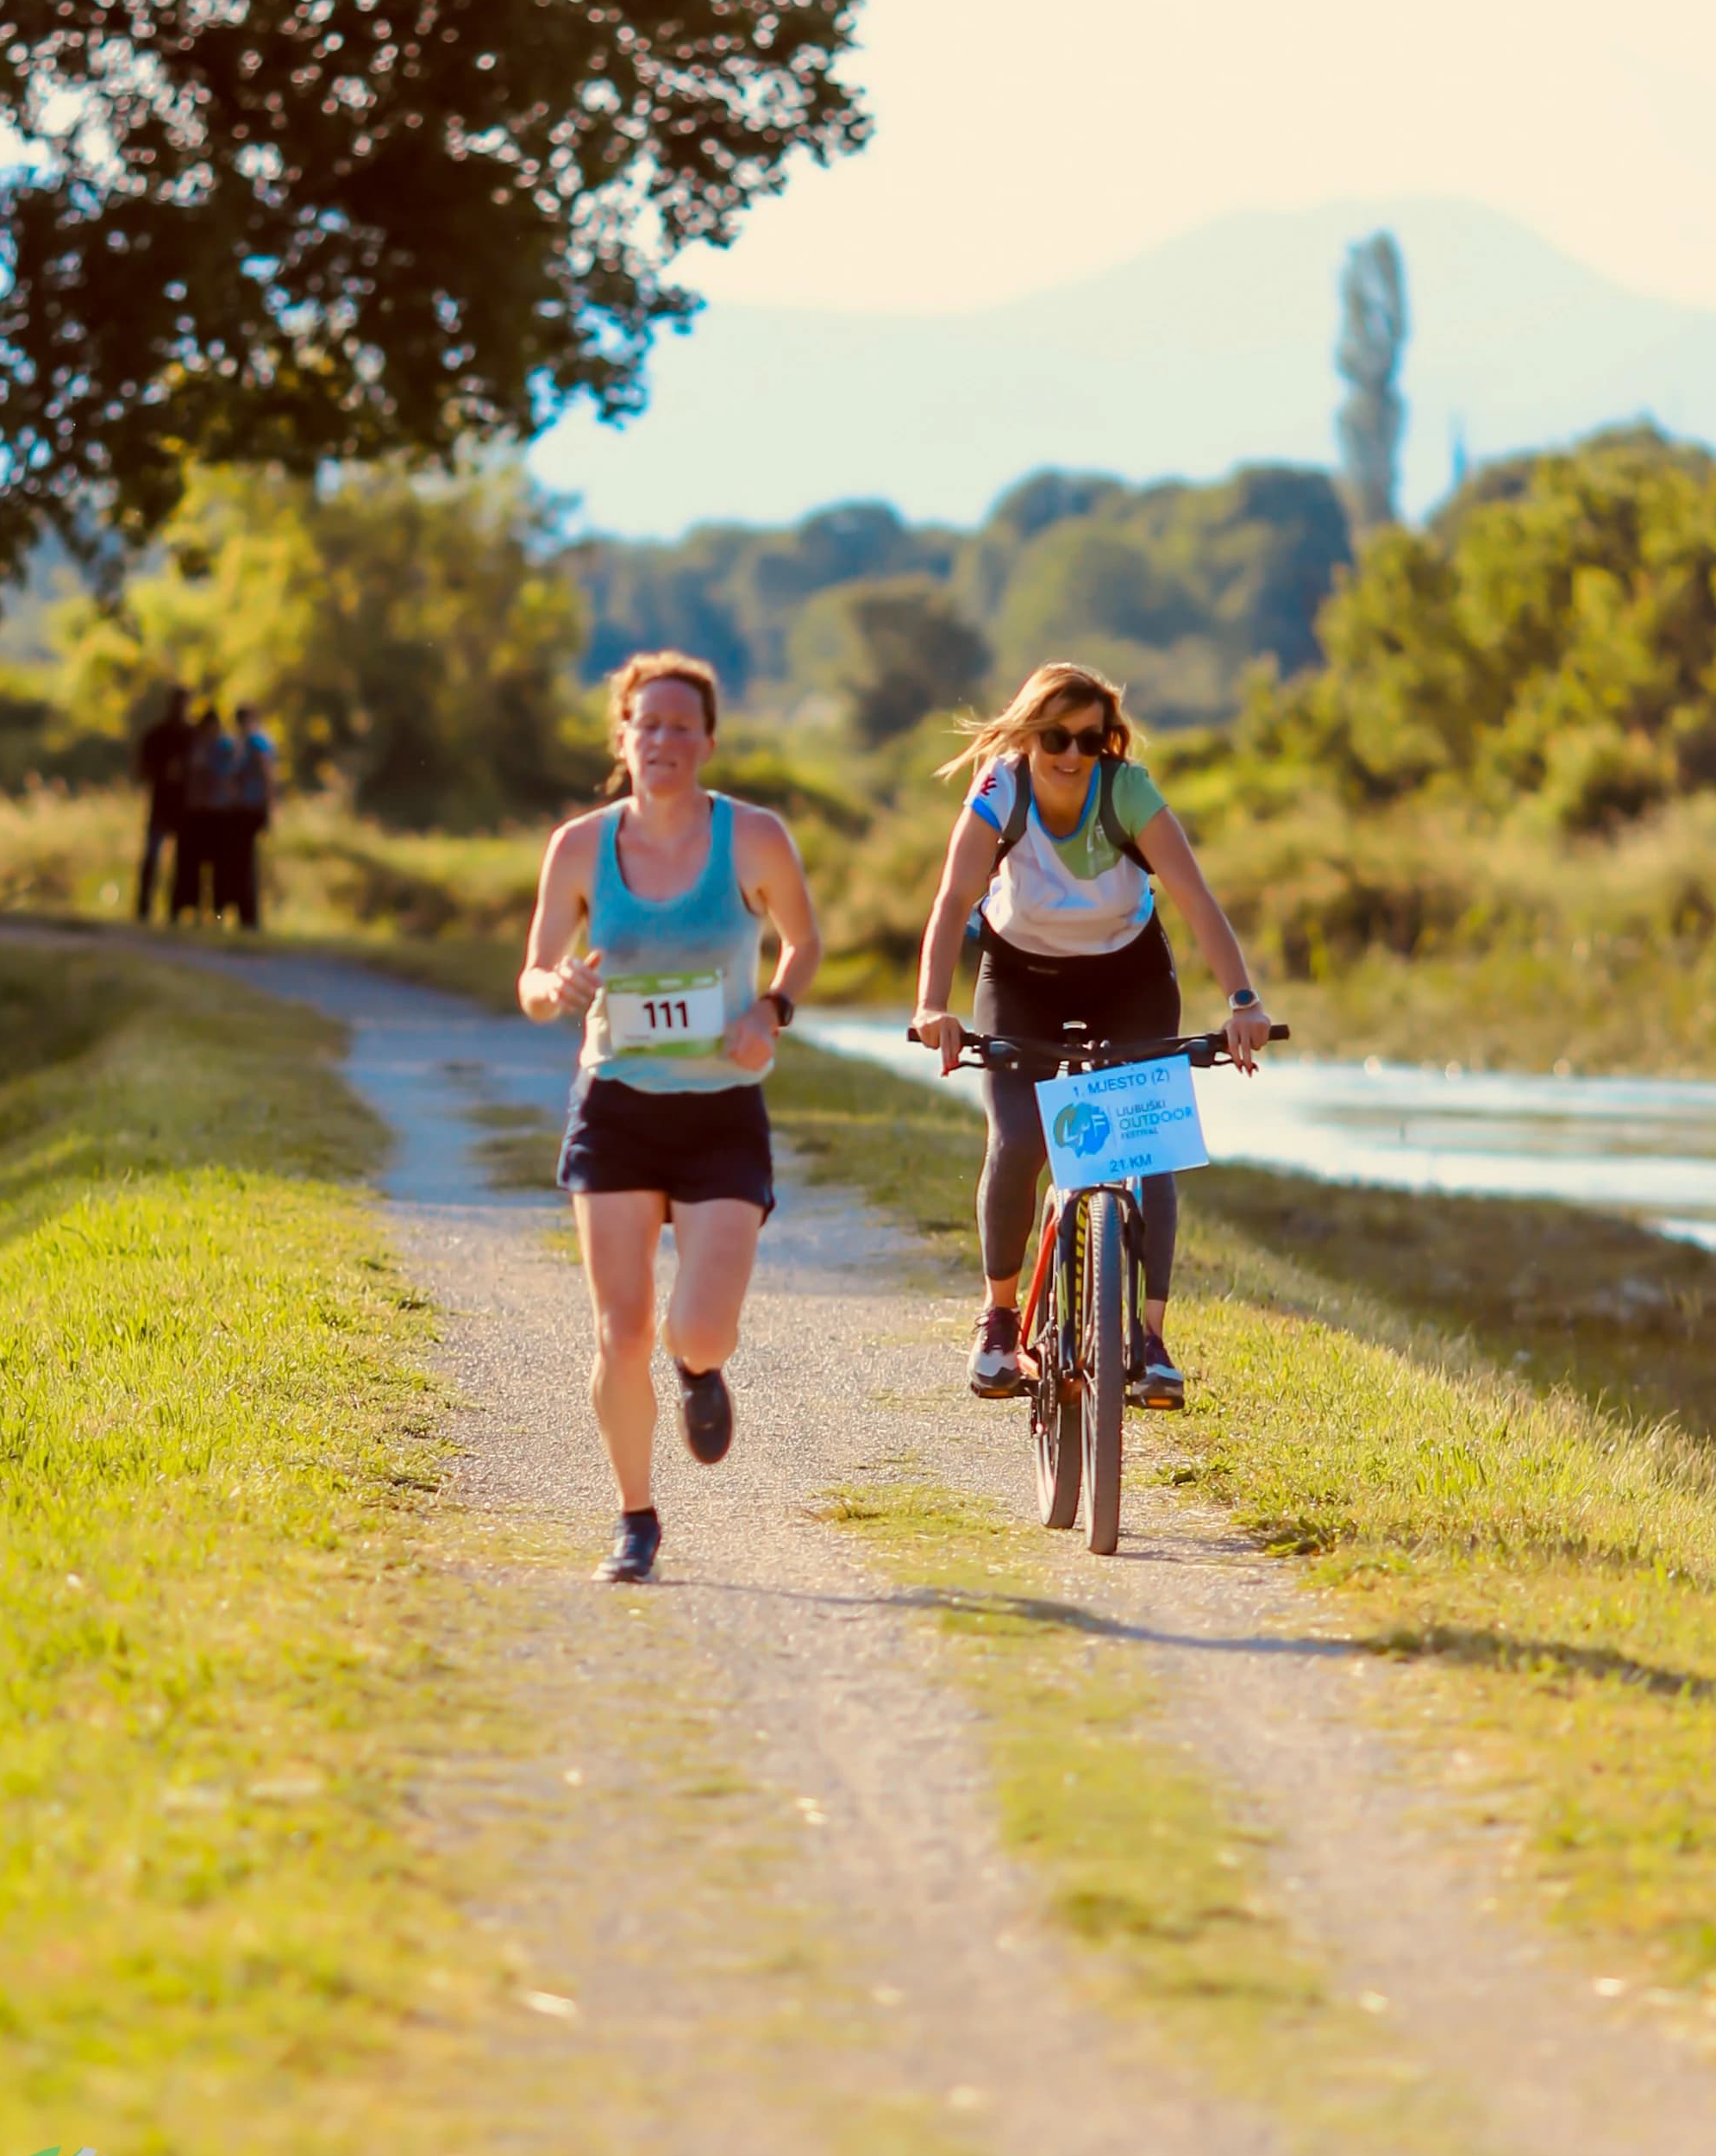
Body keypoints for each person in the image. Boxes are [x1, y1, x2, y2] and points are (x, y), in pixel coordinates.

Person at [518, 649, 823, 1584]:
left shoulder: (753, 835)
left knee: (699, 1327)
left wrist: (768, 1010)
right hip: (615, 1105)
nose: (662, 741)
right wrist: (553, 984)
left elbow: (804, 941)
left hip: (721, 1110)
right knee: (621, 1329)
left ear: (707, 740)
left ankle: (701, 1370)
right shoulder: (578, 845)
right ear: (622, 736)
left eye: (680, 726)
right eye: (645, 724)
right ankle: (635, 1518)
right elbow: (532, 979)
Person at [911, 660, 1274, 1412]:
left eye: (1090, 738)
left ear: (1109, 740)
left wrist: (1243, 1000)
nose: (1072, 754)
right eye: (1055, 736)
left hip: (1127, 976)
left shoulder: (1128, 791)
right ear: (1027, 733)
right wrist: (931, 1006)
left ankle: (1149, 1340)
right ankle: (1000, 1320)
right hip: (1021, 978)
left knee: (1148, 1141)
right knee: (1019, 1139)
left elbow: (1195, 898)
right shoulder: (1000, 790)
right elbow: (953, 901)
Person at [170, 704, 241, 923]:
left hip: (218, 813)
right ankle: (190, 908)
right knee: (191, 866)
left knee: (220, 866)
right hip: (196, 813)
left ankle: (217, 911)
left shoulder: (226, 747)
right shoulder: (193, 747)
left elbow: (231, 776)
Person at [133, 686, 191, 922]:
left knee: (179, 862)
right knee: (152, 858)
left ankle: (175, 909)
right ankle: (145, 908)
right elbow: (142, 769)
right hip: (162, 803)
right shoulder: (157, 735)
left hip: (184, 807)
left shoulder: (191, 736)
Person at [231, 705, 278, 931]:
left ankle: (249, 918)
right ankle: (246, 916)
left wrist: (268, 808)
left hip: (251, 808)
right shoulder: (249, 742)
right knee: (243, 862)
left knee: (245, 862)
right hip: (246, 808)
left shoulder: (256, 743)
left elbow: (267, 776)